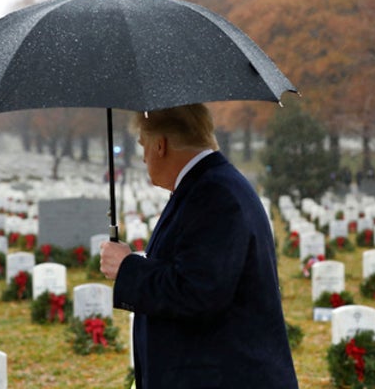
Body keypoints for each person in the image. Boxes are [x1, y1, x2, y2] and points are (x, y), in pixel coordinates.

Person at [100, 104, 299, 389]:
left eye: (143, 146)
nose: (143, 159)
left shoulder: (215, 194)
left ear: (161, 145)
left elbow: (199, 291)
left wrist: (127, 266)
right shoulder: (207, 186)